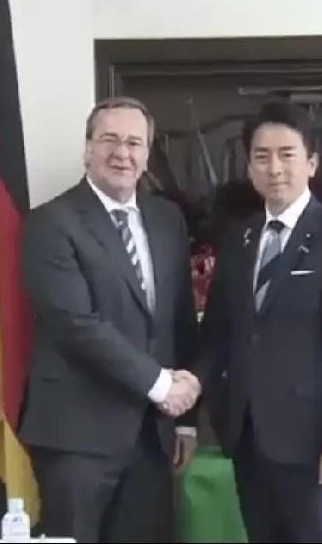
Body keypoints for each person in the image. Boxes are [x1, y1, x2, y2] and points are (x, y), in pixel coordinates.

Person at [191, 101, 322, 543]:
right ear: (249, 168)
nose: (274, 168)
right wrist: (188, 392)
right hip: (248, 439)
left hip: (314, 444)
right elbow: (217, 334)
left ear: (311, 163)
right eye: (262, 156)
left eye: (286, 154)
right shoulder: (239, 238)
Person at [18, 96, 201, 544]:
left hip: (152, 439)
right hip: (77, 438)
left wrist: (186, 419)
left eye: (134, 143)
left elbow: (179, 319)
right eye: (110, 140)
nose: (122, 153)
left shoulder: (167, 219)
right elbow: (75, 324)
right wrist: (162, 385)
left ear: (147, 154)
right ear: (87, 149)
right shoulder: (51, 222)